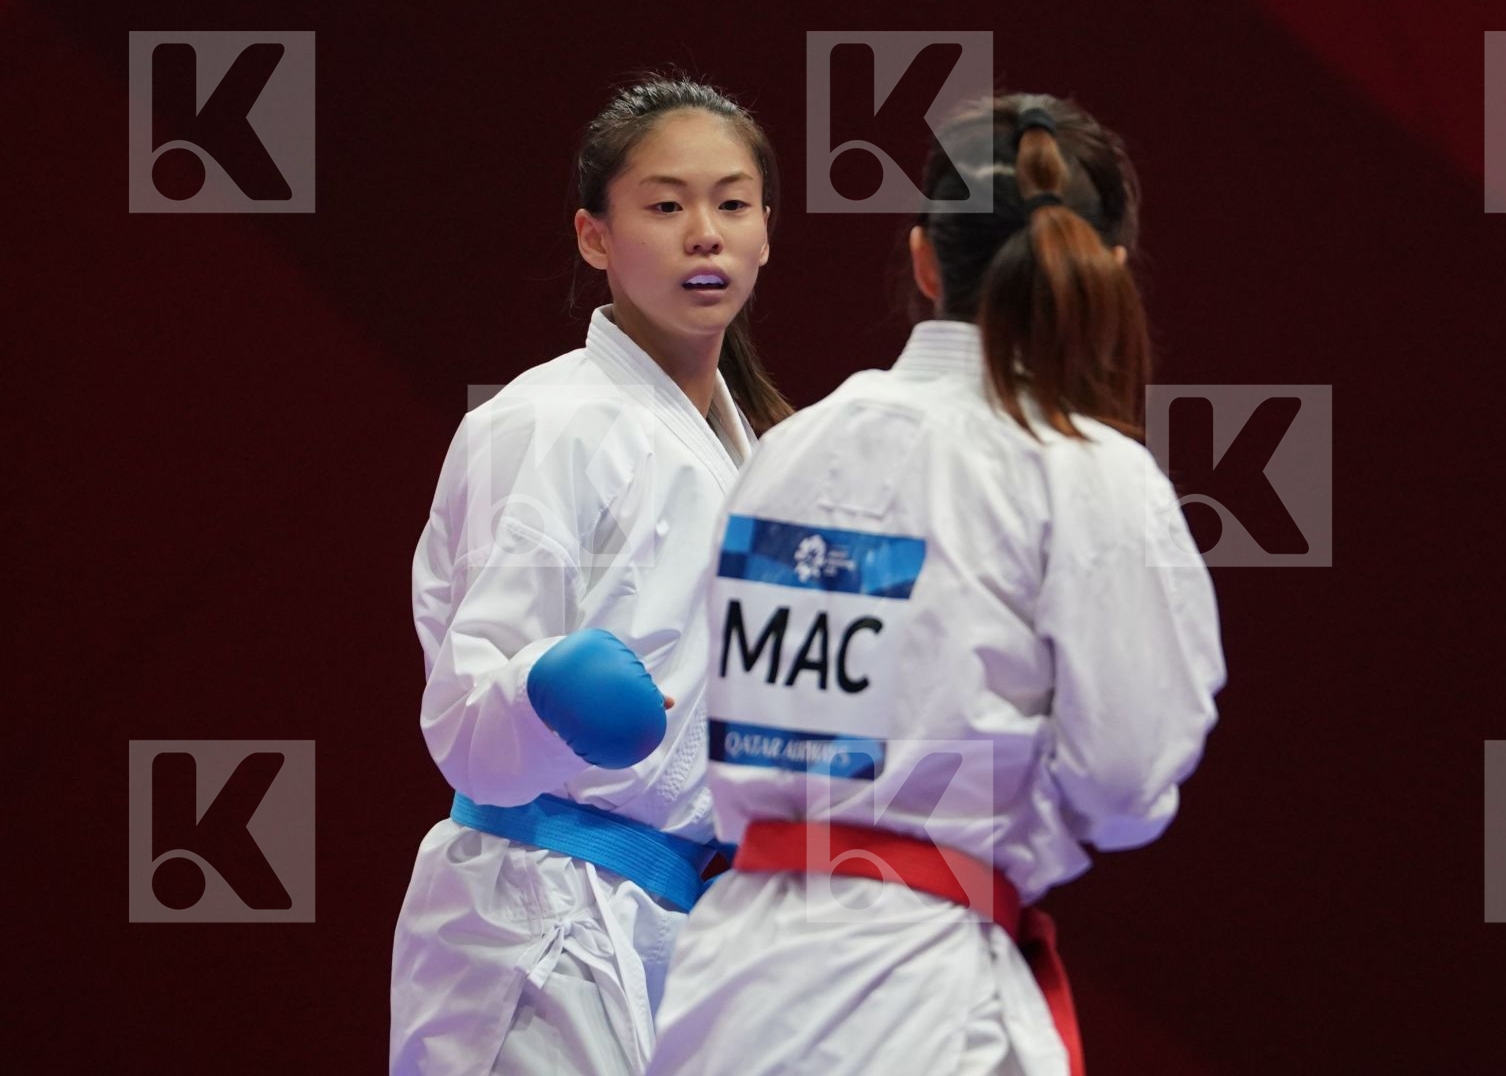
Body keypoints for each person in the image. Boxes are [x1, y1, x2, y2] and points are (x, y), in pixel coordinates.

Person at [646, 93, 1227, 1075]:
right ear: (1109, 271)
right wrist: (1015, 810)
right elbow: (1128, 778)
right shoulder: (1081, 469)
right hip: (920, 1001)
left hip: (729, 989)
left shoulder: (787, 453)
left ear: (924, 260)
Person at [390, 74, 793, 1076]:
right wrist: (544, 691)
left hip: (690, 926)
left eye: (731, 204)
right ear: (593, 236)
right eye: (665, 205)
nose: (704, 232)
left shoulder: (772, 458)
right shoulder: (544, 423)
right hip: (535, 917)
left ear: (766, 235)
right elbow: (467, 715)